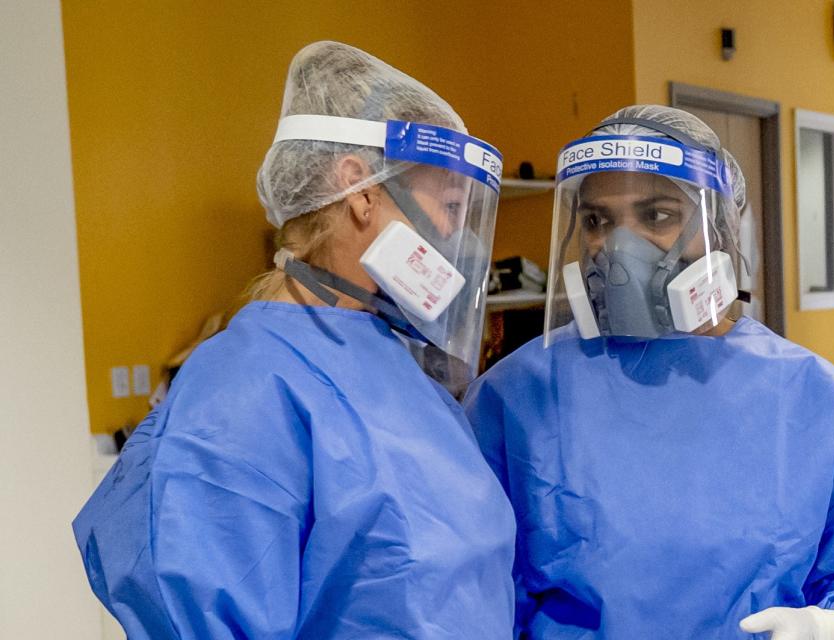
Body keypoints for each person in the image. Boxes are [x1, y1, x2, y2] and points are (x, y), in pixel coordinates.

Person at [73, 41, 515, 639]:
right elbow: (204, 612)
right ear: (361, 189)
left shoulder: (395, 361)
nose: (458, 238)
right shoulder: (245, 385)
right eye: (452, 205)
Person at [463, 105, 834, 639]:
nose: (618, 248)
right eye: (597, 221)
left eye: (657, 216)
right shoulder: (516, 397)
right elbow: (472, 591)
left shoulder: (823, 405)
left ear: (722, 228)